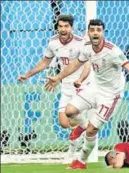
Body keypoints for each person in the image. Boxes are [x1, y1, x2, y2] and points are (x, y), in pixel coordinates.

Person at [45, 19, 129, 169]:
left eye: (98, 30)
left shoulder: (113, 51)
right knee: (69, 111)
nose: (95, 33)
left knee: (92, 129)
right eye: (92, 30)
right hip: (95, 87)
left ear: (103, 32)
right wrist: (58, 78)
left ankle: (81, 161)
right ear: (88, 32)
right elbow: (75, 64)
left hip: (111, 95)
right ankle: (83, 125)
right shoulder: (86, 48)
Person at [17, 14, 91, 163]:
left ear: (71, 27)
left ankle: (72, 152)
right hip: (65, 84)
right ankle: (84, 127)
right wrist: (28, 75)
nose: (63, 29)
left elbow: (88, 65)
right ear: (57, 27)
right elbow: (45, 62)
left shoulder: (80, 43)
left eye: (66, 26)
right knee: (64, 123)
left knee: (72, 114)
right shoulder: (53, 42)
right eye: (60, 26)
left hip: (81, 84)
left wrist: (80, 80)